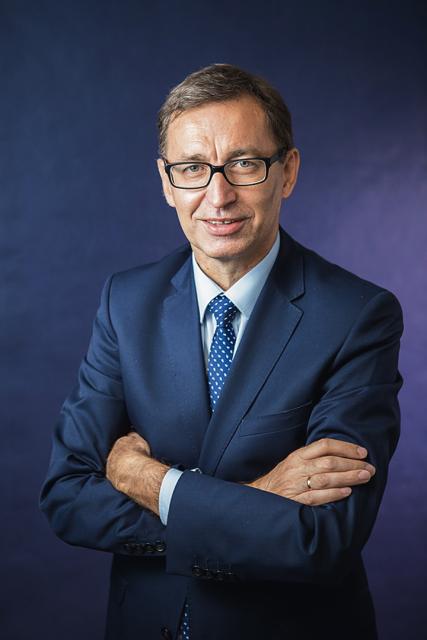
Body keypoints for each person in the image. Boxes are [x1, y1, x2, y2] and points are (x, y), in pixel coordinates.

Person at [40, 64, 403, 640]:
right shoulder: (125, 302)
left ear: (288, 171)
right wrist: (258, 498)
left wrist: (145, 478)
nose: (218, 196)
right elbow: (67, 497)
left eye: (244, 163)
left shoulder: (358, 315)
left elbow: (323, 537)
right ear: (166, 182)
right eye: (192, 168)